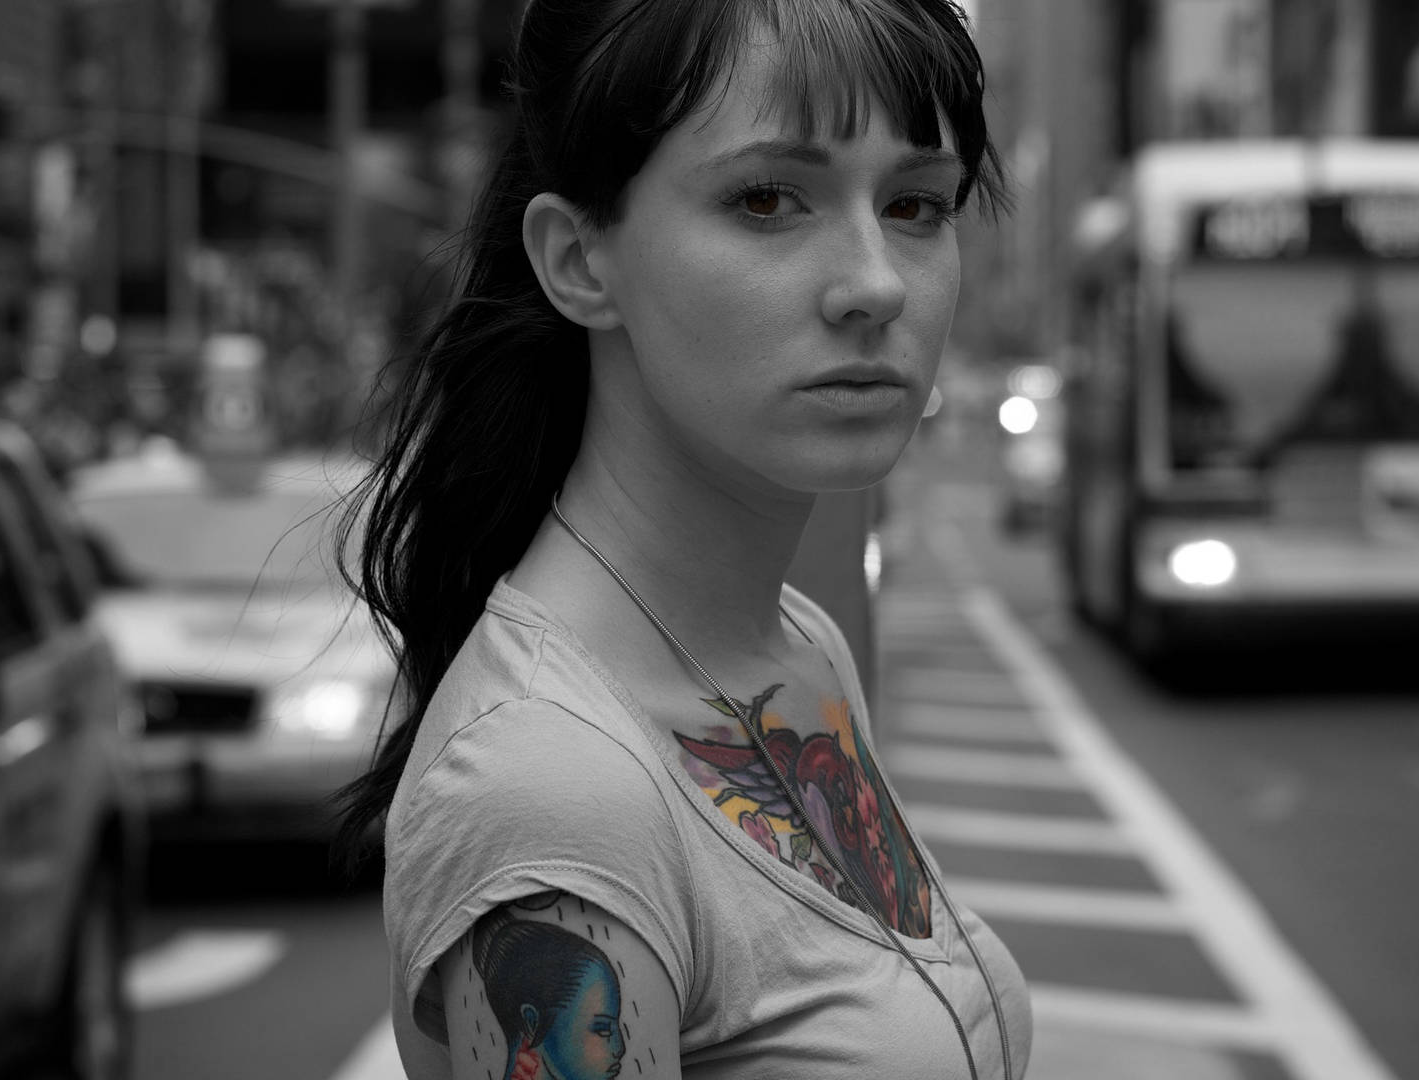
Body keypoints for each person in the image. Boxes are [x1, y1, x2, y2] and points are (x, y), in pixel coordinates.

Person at [334, 1, 1031, 1077]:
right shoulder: (549, 789)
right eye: (766, 198)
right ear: (579, 260)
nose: (877, 283)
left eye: (915, 204)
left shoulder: (797, 648)